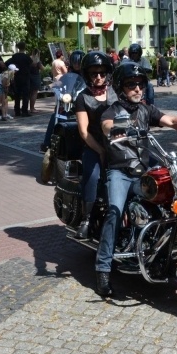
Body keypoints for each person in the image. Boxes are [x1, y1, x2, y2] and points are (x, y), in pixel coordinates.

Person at [95, 61, 177, 296]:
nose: (137, 89)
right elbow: (105, 126)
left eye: (140, 84)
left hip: (144, 172)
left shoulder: (147, 110)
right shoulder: (111, 111)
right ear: (120, 88)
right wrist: (115, 129)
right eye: (131, 84)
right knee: (114, 211)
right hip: (121, 173)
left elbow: (173, 121)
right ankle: (103, 268)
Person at [73, 51, 116, 239]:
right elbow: (83, 131)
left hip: (118, 145)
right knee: (92, 176)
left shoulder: (117, 92)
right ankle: (87, 218)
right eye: (94, 73)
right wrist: (100, 151)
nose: (99, 77)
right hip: (94, 146)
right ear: (87, 75)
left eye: (102, 73)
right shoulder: (83, 98)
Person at [40, 50, 85, 152]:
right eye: (75, 63)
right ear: (72, 62)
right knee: (55, 116)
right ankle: (46, 144)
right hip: (70, 102)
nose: (77, 65)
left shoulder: (87, 75)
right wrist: (50, 86)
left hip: (83, 103)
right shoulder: (69, 74)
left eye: (79, 63)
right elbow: (61, 82)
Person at [6, 42, 33, 117]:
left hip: (17, 76)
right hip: (25, 76)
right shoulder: (26, 57)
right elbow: (32, 64)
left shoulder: (14, 56)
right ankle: (24, 111)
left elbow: (7, 63)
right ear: (24, 48)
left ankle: (17, 110)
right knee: (25, 95)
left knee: (17, 94)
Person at [29, 48, 44, 113]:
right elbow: (42, 68)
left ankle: (29, 107)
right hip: (35, 76)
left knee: (30, 93)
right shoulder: (37, 60)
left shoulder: (29, 58)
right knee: (34, 93)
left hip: (29, 76)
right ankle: (32, 108)